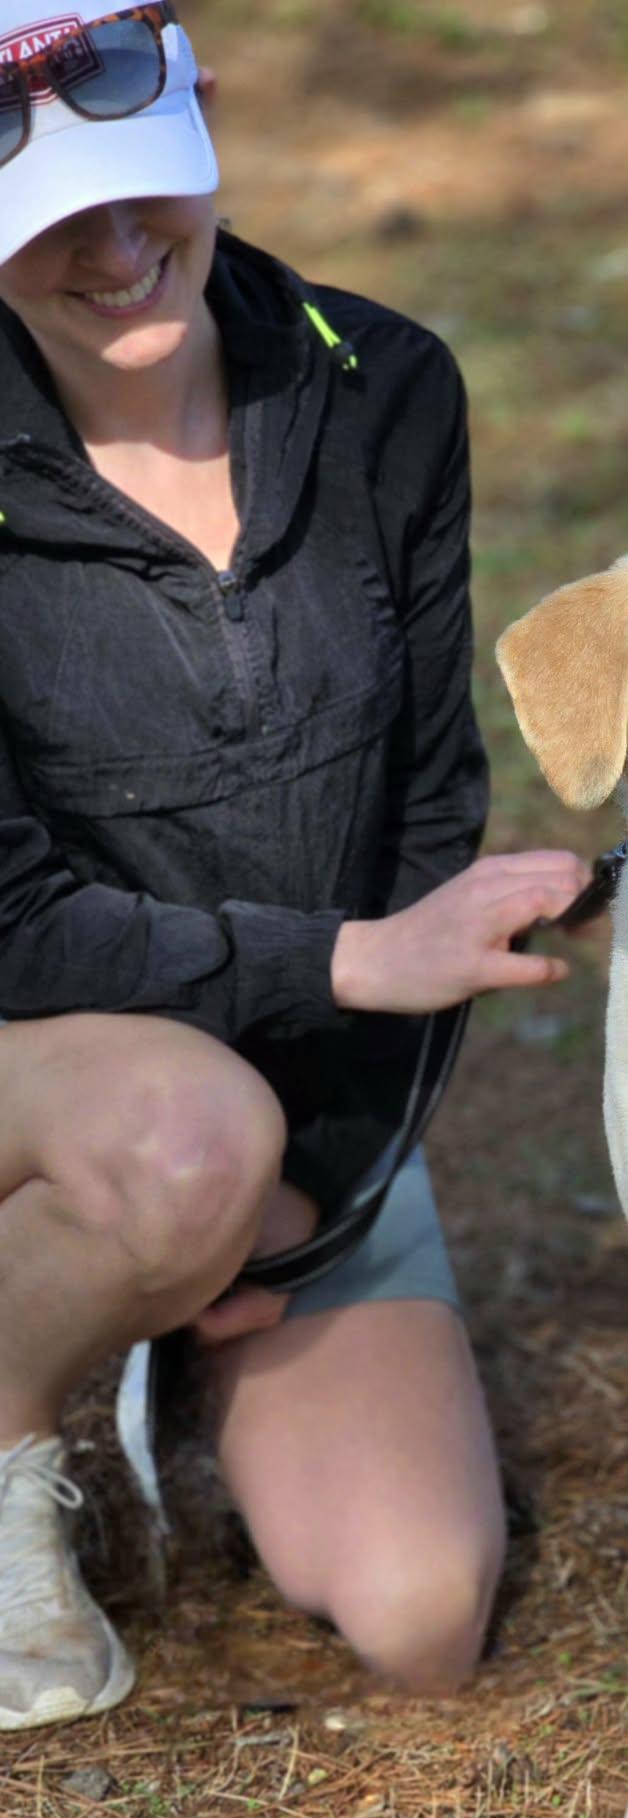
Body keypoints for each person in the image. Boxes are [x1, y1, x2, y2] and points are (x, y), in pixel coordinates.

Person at [0, 0, 590, 1730]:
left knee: (422, 1611)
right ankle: (18, 1414)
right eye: (49, 225)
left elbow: (429, 820)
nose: (119, 254)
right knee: (182, 1136)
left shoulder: (381, 382)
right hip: (58, 1083)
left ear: (199, 127)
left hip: (279, 1136)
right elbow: (11, 919)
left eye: (145, 192)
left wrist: (317, 1181)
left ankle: (166, 1309)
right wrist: (339, 973)